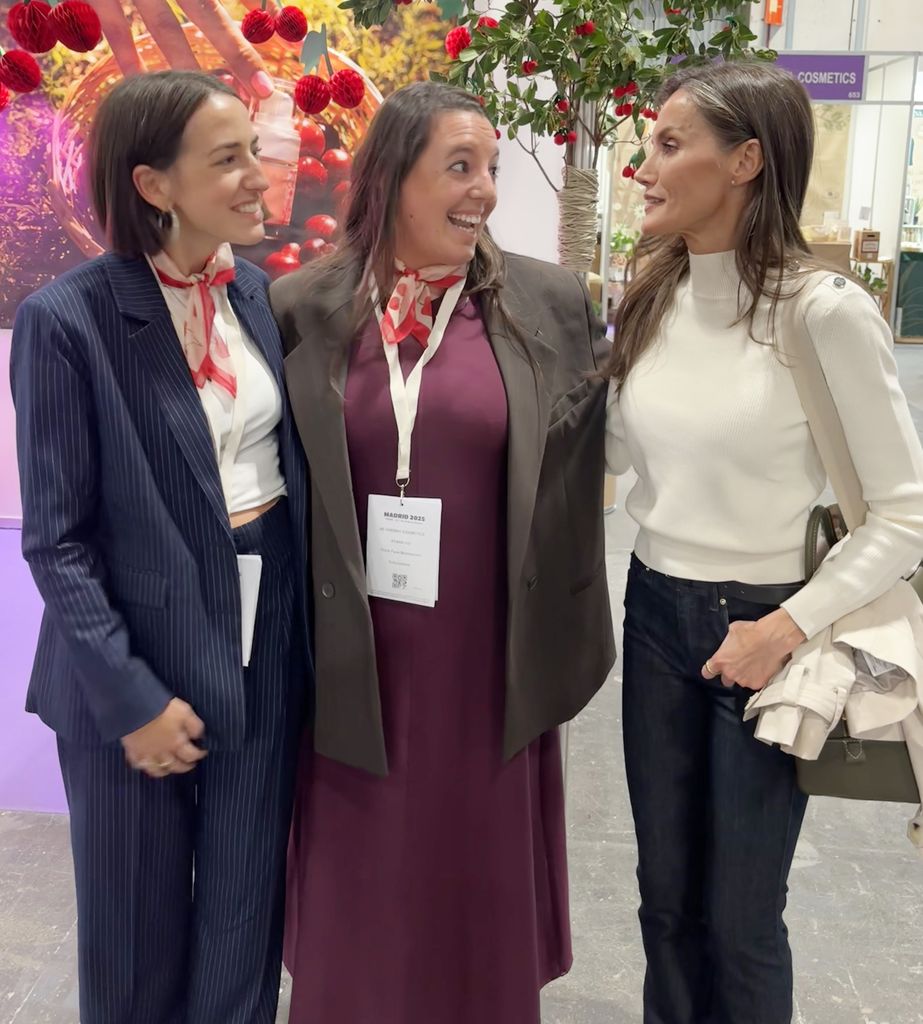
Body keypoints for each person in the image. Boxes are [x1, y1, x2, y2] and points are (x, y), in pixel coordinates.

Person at [271, 80, 615, 1024]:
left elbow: (580, 483)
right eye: (459, 167)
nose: (485, 191)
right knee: (364, 881)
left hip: (487, 653)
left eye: (492, 168)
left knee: (472, 883)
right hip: (354, 656)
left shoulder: (543, 300)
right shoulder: (301, 304)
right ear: (390, 179)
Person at [604, 61, 923, 1024]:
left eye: (668, 144)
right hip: (655, 609)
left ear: (744, 161)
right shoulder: (652, 299)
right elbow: (612, 456)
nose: (642, 165)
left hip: (763, 629)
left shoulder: (820, 312)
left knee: (740, 918)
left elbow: (904, 515)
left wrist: (781, 628)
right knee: (664, 906)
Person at [10, 70, 311, 1024]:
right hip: (131, 671)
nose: (258, 178)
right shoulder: (70, 320)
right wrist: (133, 700)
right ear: (153, 185)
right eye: (228, 160)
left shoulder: (257, 298)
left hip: (262, 649)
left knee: (241, 925)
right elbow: (58, 543)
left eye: (252, 155)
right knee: (135, 942)